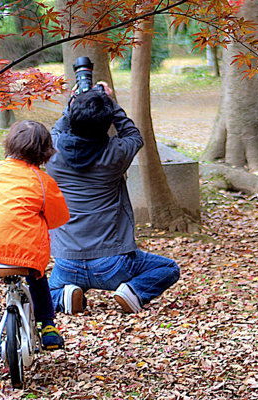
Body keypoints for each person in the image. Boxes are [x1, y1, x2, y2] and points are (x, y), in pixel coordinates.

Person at [46, 83, 180, 315]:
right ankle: (133, 291)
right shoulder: (116, 153)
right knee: (169, 268)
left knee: (41, 293)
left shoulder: (53, 152)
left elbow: (58, 129)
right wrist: (110, 103)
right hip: (113, 264)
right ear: (107, 124)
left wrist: (73, 104)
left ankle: (63, 296)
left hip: (66, 262)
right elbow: (133, 135)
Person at [0, 119, 70, 350]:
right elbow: (59, 218)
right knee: (38, 280)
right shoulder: (43, 181)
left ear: (9, 143)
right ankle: (47, 326)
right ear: (44, 151)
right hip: (28, 256)